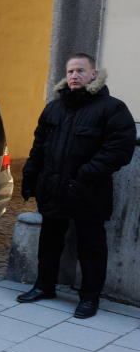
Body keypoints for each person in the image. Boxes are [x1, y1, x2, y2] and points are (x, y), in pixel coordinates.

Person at [18, 53, 136, 318]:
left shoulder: (112, 108)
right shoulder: (54, 108)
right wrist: (31, 177)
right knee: (49, 241)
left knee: (91, 247)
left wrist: (85, 174)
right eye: (70, 71)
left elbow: (119, 150)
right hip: (53, 188)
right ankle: (44, 286)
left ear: (94, 74)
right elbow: (39, 147)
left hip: (88, 191)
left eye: (80, 71)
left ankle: (89, 298)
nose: (74, 76)